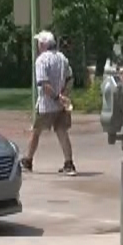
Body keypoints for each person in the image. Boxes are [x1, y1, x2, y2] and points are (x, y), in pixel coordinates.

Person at [22, 31, 76, 176]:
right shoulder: (62, 58)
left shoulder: (41, 60)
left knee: (36, 131)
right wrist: (64, 95)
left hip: (46, 104)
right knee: (62, 131)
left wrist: (57, 97)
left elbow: (44, 84)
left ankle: (27, 161)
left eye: (39, 43)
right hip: (61, 105)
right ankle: (69, 163)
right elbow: (70, 79)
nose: (38, 46)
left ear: (43, 44)